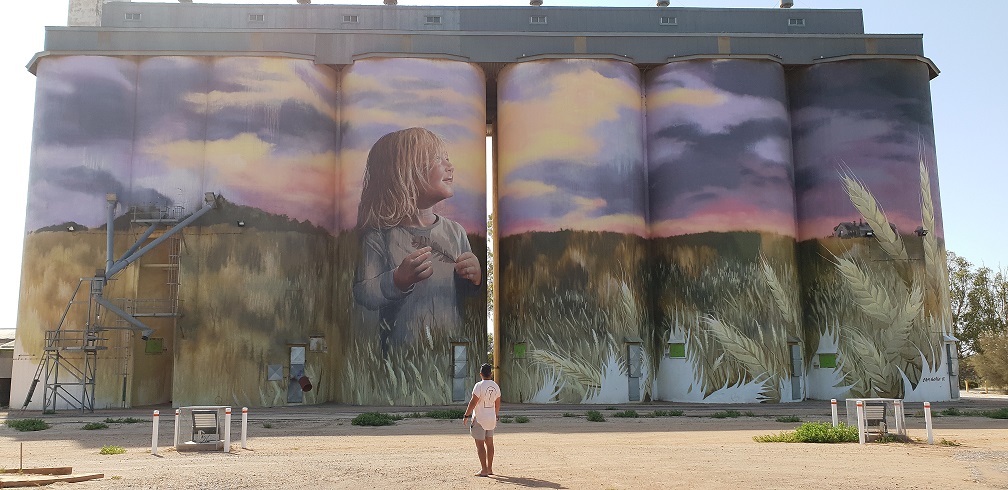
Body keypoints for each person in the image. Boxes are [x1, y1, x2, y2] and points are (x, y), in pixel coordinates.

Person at [352, 127, 482, 353]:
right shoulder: (379, 238)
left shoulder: (455, 232)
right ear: (404, 173)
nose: (450, 166)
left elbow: (465, 293)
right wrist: (397, 280)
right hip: (400, 358)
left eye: (448, 159)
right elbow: (363, 293)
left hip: (451, 352)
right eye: (436, 159)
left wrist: (475, 278)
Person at [462, 363, 500, 477]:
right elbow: (497, 403)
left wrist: (466, 415)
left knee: (480, 445)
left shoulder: (479, 385)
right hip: (491, 418)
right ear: (491, 373)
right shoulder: (496, 386)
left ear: (480, 374)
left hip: (480, 418)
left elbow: (473, 402)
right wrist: (495, 415)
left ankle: (483, 469)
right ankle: (489, 468)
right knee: (490, 444)